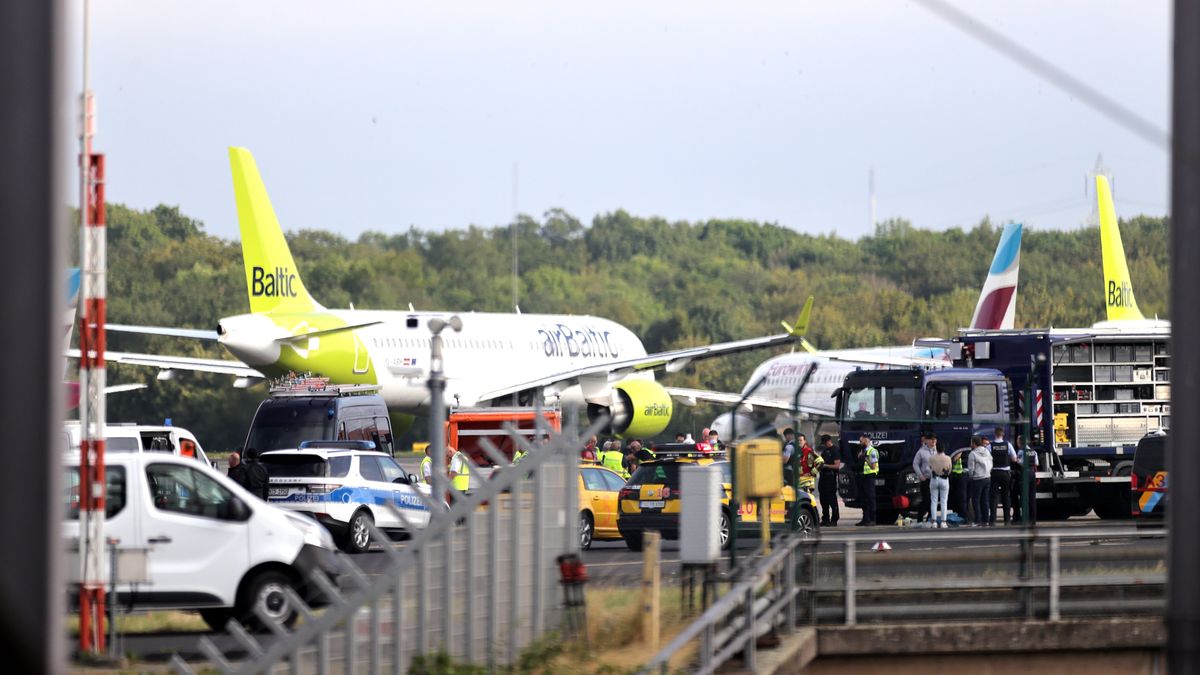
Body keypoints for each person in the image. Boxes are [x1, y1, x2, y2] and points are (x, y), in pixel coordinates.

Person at [989, 426, 1019, 526]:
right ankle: (1007, 520)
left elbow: (987, 458)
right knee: (1006, 496)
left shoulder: (990, 446)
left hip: (994, 473)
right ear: (1003, 434)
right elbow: (1014, 459)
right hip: (1005, 473)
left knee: (993, 497)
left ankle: (992, 520)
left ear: (995, 434)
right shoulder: (1008, 444)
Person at [966, 436, 993, 526]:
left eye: (971, 442)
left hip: (977, 479)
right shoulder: (987, 451)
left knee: (976, 500)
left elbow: (971, 468)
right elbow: (991, 462)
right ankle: (986, 520)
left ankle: (978, 520)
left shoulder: (972, 454)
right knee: (985, 500)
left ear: (974, 443)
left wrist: (971, 476)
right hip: (987, 477)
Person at [1012, 434, 1038, 524]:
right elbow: (1036, 463)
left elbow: (1021, 463)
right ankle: (1033, 519)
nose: (1017, 443)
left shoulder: (1021, 451)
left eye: (1018, 441)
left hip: (1024, 474)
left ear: (1020, 442)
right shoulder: (1033, 451)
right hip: (1032, 473)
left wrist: (1016, 460)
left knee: (1024, 497)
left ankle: (1025, 519)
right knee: (1032, 498)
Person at [816, 435, 841, 526]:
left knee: (832, 500)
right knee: (823, 500)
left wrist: (826, 466)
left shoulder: (835, 450)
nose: (825, 445)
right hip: (823, 477)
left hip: (830, 477)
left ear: (829, 441)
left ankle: (834, 519)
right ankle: (825, 519)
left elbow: (837, 465)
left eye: (825, 443)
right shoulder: (825, 451)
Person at [855, 434, 879, 526]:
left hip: (869, 477)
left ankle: (873, 519)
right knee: (863, 499)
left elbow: (873, 466)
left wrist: (865, 458)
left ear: (866, 440)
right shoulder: (863, 451)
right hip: (862, 477)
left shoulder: (872, 451)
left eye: (861, 441)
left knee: (870, 498)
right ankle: (865, 519)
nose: (860, 443)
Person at [928, 439, 952, 529]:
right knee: (944, 501)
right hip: (944, 479)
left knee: (933, 501)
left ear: (936, 448)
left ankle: (933, 521)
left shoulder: (931, 458)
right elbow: (949, 471)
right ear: (944, 449)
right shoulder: (948, 458)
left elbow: (930, 467)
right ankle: (943, 522)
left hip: (934, 479)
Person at [912, 433, 935, 524]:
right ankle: (920, 519)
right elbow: (915, 464)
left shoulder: (937, 451)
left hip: (935, 479)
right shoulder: (921, 451)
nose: (933, 442)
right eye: (931, 440)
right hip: (926, 479)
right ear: (927, 441)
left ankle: (930, 518)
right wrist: (920, 475)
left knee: (933, 499)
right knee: (926, 499)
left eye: (935, 440)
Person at [950, 444, 969, 520]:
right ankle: (962, 515)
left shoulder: (961, 450)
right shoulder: (965, 449)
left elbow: (955, 459)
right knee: (962, 497)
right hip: (960, 474)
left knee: (962, 497)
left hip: (961, 475)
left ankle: (963, 516)